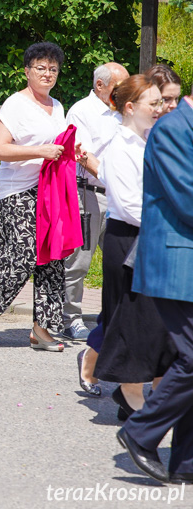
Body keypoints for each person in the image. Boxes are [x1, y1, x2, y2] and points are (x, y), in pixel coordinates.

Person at [0, 42, 68, 349]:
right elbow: (0, 148)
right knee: (21, 254)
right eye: (40, 68)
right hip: (17, 191)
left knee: (53, 260)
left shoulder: (58, 106)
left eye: (53, 69)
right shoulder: (16, 104)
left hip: (50, 193)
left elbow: (57, 146)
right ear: (27, 71)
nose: (47, 74)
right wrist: (41, 151)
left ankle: (42, 329)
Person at [80, 76, 175, 421]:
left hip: (150, 237)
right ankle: (130, 392)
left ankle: (135, 395)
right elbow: (130, 206)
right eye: (153, 103)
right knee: (133, 322)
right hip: (129, 239)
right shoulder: (119, 147)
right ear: (131, 108)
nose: (160, 109)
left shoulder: (149, 140)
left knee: (153, 322)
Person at [117, 80, 193, 485]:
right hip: (174, 263)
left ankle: (186, 461)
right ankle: (140, 432)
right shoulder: (174, 129)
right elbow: (188, 198)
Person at [59, 62, 129, 340]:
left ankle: (118, 318)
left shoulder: (124, 110)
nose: (123, 91)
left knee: (121, 262)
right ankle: (71, 318)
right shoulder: (81, 111)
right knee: (79, 261)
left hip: (119, 197)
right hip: (87, 194)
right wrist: (113, 179)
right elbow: (83, 155)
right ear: (100, 85)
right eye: (118, 86)